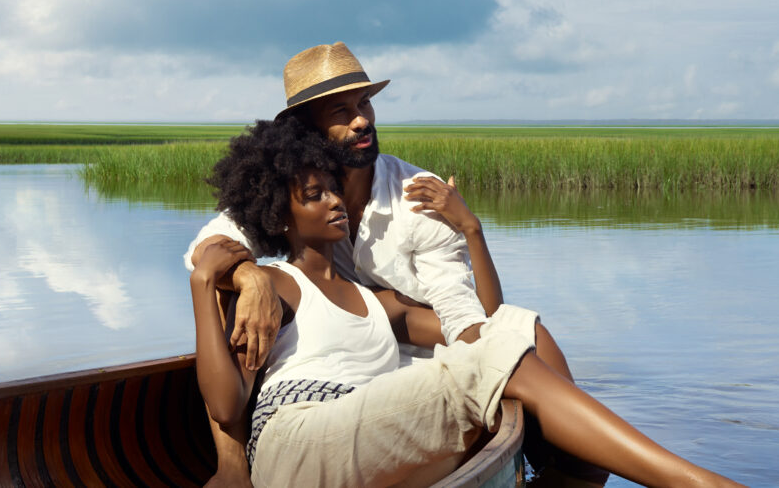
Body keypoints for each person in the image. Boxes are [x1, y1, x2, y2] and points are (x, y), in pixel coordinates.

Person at [189, 125, 741, 487]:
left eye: (333, 188)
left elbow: (485, 332)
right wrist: (212, 283)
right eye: (313, 195)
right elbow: (225, 404)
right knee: (487, 362)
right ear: (276, 216)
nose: (335, 200)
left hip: (363, 429)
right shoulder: (274, 284)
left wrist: (471, 231)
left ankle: (588, 470)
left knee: (518, 329)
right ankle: (695, 483)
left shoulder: (377, 302)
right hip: (298, 445)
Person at [184, 42, 600, 482]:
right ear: (308, 129)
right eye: (341, 112)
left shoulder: (421, 196)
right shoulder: (292, 188)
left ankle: (571, 469)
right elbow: (207, 248)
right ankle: (230, 465)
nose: (362, 118)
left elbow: (463, 318)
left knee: (524, 331)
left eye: (364, 102)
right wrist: (249, 276)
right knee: (223, 287)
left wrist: (473, 234)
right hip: (338, 375)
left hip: (423, 360)